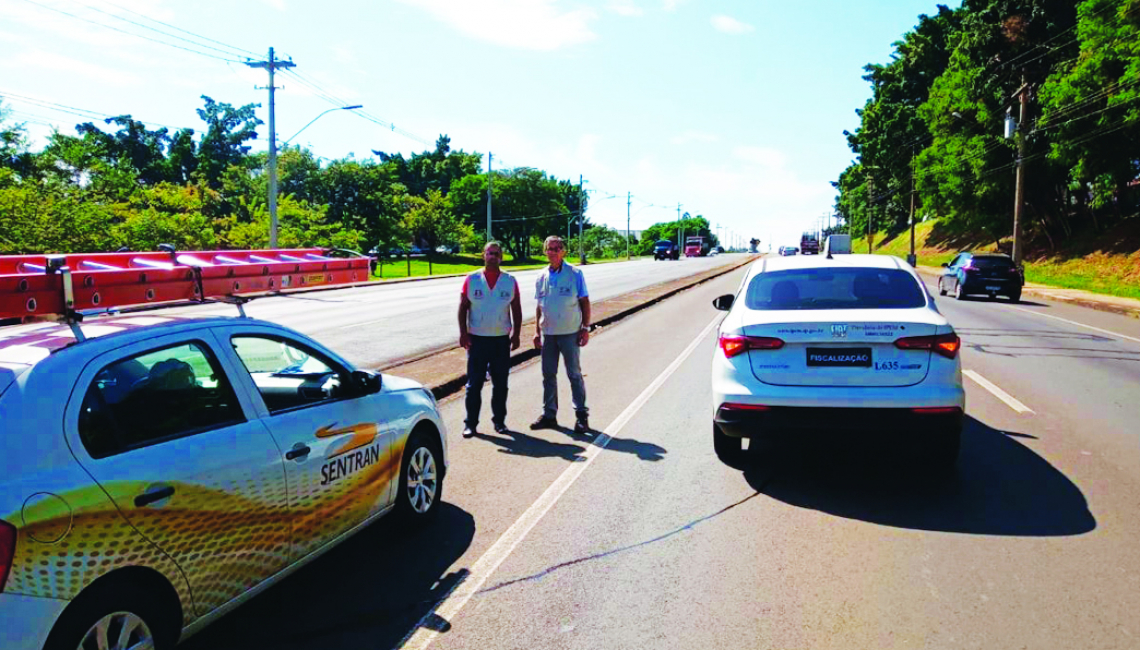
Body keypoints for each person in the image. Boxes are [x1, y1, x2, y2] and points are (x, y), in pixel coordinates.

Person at [458, 241, 522, 437]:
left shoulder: (509, 280)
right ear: (483, 255)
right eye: (489, 253)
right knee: (474, 384)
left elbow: (516, 309)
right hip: (477, 340)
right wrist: (463, 333)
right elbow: (463, 308)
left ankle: (499, 422)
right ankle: (470, 424)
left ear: (501, 257)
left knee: (501, 384)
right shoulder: (472, 279)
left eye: (496, 253)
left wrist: (516, 334)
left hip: (500, 341)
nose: (493, 256)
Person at [530, 235, 591, 434]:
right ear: (545, 251)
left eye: (557, 248)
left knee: (574, 374)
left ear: (563, 251)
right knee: (548, 375)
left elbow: (584, 302)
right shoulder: (541, 277)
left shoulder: (575, 274)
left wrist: (585, 328)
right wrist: (537, 331)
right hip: (548, 333)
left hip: (570, 333)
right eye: (549, 248)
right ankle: (549, 415)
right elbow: (540, 306)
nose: (553, 252)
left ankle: (581, 415)